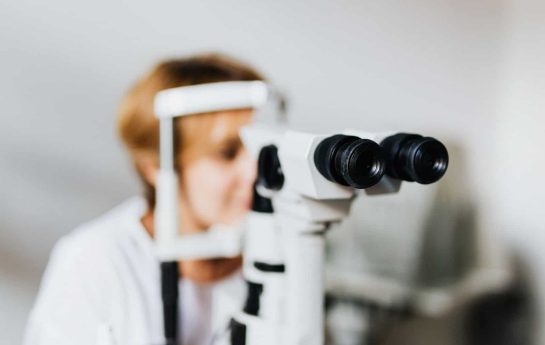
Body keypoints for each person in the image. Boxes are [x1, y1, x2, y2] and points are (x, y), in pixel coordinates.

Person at [24, 53, 264, 345]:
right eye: (227, 153)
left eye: (260, 148)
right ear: (157, 166)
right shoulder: (97, 263)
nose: (254, 172)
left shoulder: (276, 257)